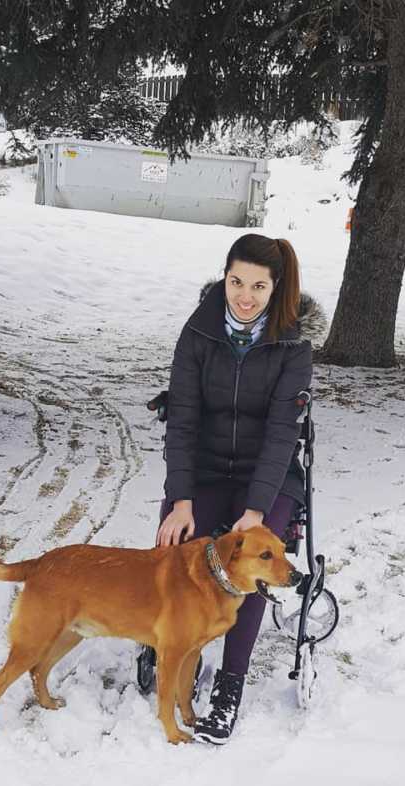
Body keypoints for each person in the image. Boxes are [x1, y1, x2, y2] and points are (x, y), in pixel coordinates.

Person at [155, 233, 313, 744]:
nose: (245, 296)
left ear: (276, 288)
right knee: (178, 544)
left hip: (265, 477)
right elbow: (180, 418)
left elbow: (281, 434)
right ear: (224, 277)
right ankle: (165, 639)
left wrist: (256, 510)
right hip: (203, 470)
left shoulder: (293, 345)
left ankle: (230, 681)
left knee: (251, 563)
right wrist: (181, 500)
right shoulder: (198, 333)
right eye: (236, 282)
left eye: (258, 286)